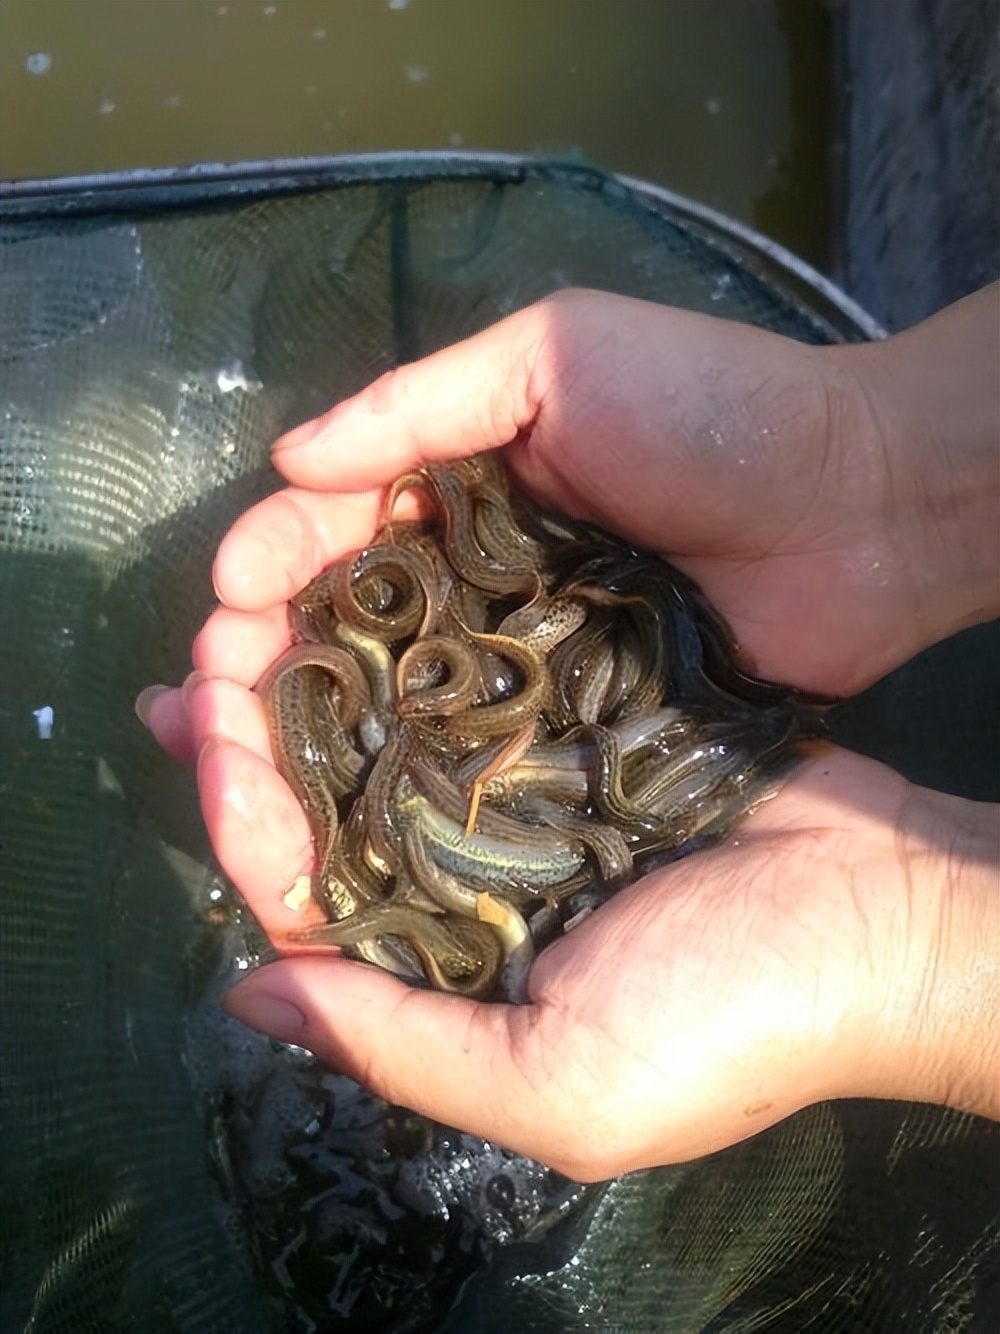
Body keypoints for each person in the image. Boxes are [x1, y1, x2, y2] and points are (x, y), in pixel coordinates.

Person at [137, 282, 999, 1182]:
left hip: (521, 757)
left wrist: (921, 937)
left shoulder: (631, 725)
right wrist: (876, 458)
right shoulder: (545, 708)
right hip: (481, 746)